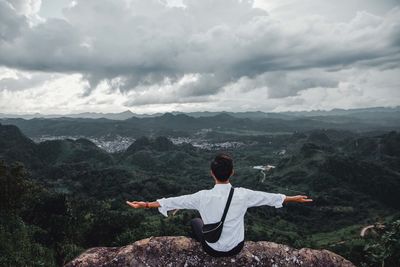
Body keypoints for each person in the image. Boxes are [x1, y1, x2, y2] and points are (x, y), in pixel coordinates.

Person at [126, 153, 312, 257]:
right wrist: (293, 198)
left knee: (195, 222)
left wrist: (144, 204)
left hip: (211, 249)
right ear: (232, 172)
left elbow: (175, 200)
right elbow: (270, 198)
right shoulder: (244, 195)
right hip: (236, 248)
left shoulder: (202, 197)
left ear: (212, 174)